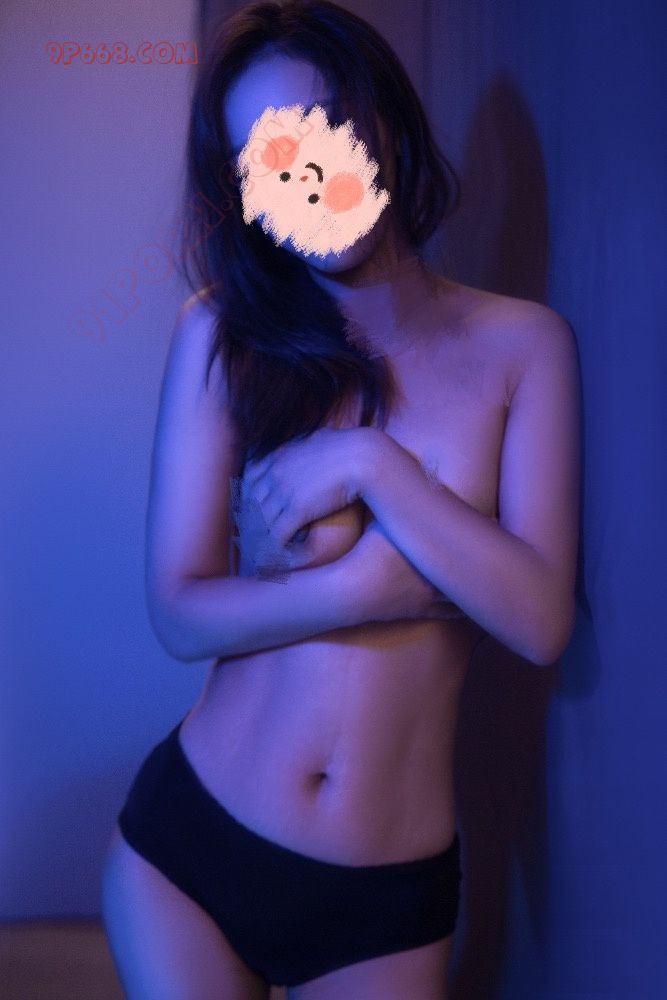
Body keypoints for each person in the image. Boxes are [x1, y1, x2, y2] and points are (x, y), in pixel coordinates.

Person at [101, 2, 581, 998]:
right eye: (264, 158)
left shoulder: (523, 345)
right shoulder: (220, 332)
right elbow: (179, 611)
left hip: (381, 901)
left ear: (383, 122)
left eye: (321, 127)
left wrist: (372, 466)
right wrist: (366, 591)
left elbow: (538, 620)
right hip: (190, 845)